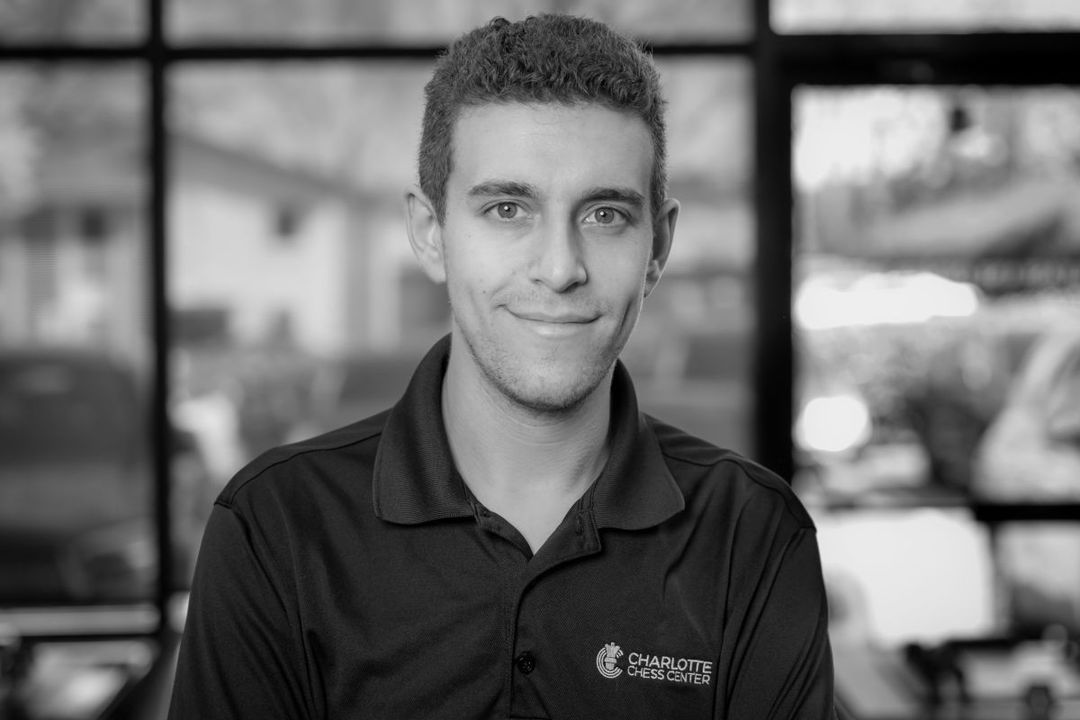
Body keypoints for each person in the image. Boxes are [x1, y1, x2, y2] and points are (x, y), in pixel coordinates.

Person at [168, 13, 836, 719]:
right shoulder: (276, 528)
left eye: (605, 215)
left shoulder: (751, 533)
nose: (560, 268)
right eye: (509, 209)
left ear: (658, 248)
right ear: (431, 234)